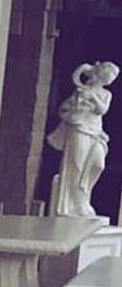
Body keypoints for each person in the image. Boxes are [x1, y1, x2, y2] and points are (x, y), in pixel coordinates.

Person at [47, 60, 119, 217]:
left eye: (113, 77)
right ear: (102, 73)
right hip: (79, 129)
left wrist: (91, 96)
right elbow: (63, 109)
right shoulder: (80, 91)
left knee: (98, 165)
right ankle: (78, 204)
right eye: (110, 74)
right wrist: (76, 108)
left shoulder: (106, 94)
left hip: (96, 132)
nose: (111, 79)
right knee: (77, 167)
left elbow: (102, 109)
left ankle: (84, 198)